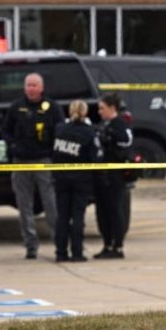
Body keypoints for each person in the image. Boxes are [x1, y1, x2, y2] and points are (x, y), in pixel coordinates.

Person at [2, 73, 63, 260]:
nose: (31, 88)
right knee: (24, 204)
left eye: (34, 85)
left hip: (44, 160)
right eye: (28, 85)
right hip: (21, 162)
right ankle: (30, 245)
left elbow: (60, 130)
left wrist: (53, 153)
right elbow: (6, 130)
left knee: (50, 203)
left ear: (41, 88)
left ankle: (59, 242)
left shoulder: (52, 108)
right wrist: (13, 146)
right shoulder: (16, 107)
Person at [51, 100, 97, 263]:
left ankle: (60, 252)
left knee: (62, 216)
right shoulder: (89, 132)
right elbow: (93, 157)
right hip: (81, 179)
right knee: (78, 216)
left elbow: (54, 153)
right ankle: (77, 252)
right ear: (85, 112)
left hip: (61, 177)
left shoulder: (59, 129)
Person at [94, 93, 133, 259]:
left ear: (112, 108)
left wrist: (110, 139)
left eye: (102, 108)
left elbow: (127, 142)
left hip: (114, 175)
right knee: (102, 212)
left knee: (115, 210)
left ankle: (117, 246)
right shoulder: (104, 125)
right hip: (101, 175)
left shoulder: (120, 124)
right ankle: (106, 244)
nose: (99, 111)